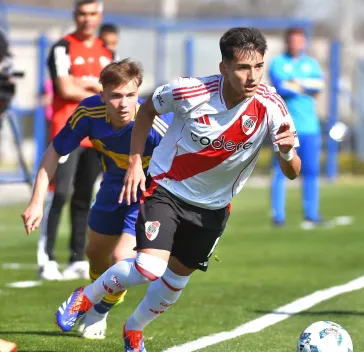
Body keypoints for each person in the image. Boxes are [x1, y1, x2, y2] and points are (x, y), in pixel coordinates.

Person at [54, 27, 301, 351]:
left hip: (213, 208)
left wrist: (286, 152)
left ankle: (134, 328)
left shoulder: (272, 107)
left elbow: (292, 172)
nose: (252, 76)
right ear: (224, 67)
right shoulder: (191, 91)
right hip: (166, 190)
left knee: (174, 283)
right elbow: (147, 110)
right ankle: (87, 296)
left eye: (258, 66)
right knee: (149, 267)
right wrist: (133, 162)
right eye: (243, 67)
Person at [21, 59, 173, 339]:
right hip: (113, 186)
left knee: (121, 258)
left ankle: (97, 308)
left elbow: (182, 166)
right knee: (95, 255)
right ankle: (97, 301)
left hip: (151, 192)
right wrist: (36, 202)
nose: (124, 103)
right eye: (115, 95)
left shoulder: (156, 125)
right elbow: (54, 151)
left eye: (130, 95)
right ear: (102, 94)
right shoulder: (89, 112)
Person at [37, 0, 114, 281]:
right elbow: (65, 87)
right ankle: (46, 258)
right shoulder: (62, 48)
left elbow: (114, 90)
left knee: (84, 198)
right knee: (59, 194)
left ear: (100, 15)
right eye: (82, 13)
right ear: (75, 15)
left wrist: (88, 86)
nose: (87, 19)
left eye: (92, 13)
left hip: (95, 137)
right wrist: (96, 89)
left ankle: (76, 258)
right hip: (67, 132)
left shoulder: (107, 53)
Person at [269, 28, 324, 230]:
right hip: (285, 127)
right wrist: (304, 85)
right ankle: (278, 216)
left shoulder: (311, 63)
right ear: (287, 43)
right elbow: (282, 87)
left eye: (300, 41)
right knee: (280, 171)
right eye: (293, 41)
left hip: (310, 128)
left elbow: (318, 85)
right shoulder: (278, 63)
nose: (296, 45)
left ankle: (311, 214)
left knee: (311, 171)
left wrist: (297, 83)